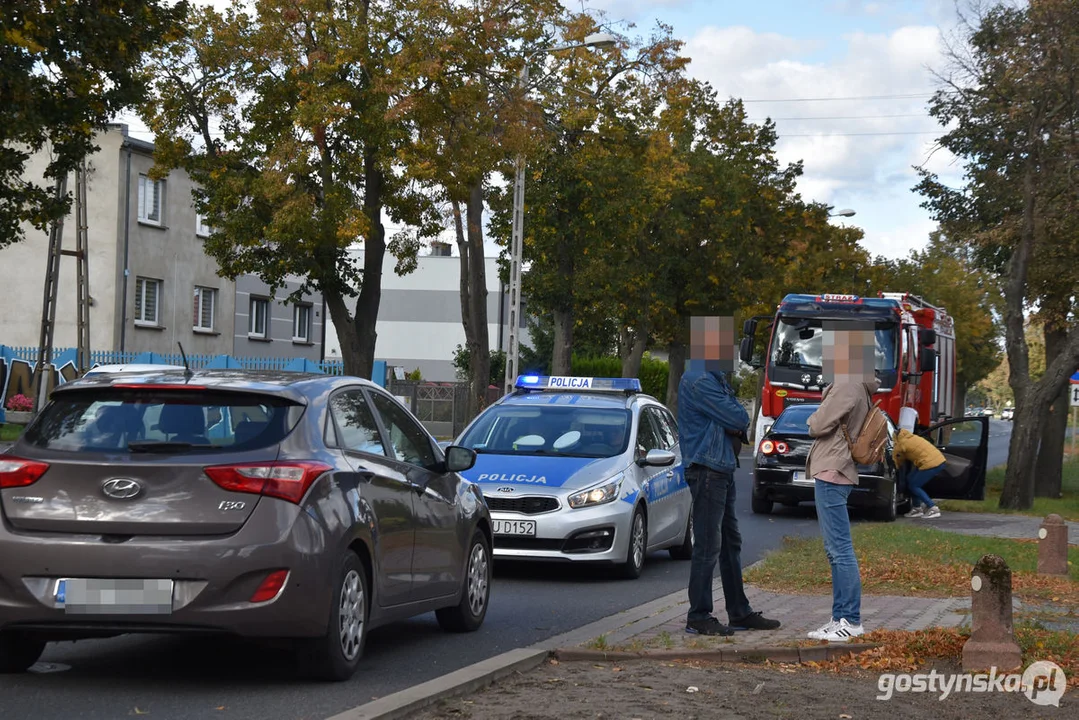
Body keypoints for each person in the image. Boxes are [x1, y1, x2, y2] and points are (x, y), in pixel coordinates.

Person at [678, 316, 781, 636]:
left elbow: (738, 418)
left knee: (729, 542)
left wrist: (733, 420)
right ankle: (698, 615)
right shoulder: (700, 379)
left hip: (720, 466)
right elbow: (737, 415)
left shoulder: (715, 376)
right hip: (708, 469)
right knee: (709, 545)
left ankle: (739, 611)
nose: (729, 353)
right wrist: (733, 420)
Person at [805, 325, 878, 642]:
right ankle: (840, 618)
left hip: (833, 469)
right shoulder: (857, 384)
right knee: (835, 550)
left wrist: (814, 416)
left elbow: (818, 424)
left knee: (840, 551)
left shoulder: (847, 384)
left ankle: (850, 619)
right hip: (836, 468)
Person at [894, 425, 946, 519]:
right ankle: (916, 508)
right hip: (936, 460)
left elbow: (897, 459)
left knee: (914, 485)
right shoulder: (910, 437)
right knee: (910, 479)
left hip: (931, 463)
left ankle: (932, 508)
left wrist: (896, 468)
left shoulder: (900, 444)